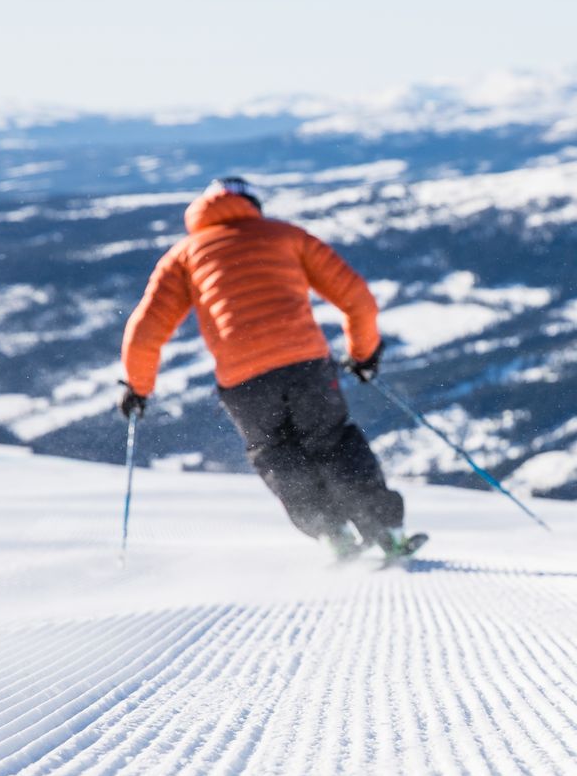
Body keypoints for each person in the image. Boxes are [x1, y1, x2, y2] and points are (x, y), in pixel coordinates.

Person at [118, 176, 423, 562]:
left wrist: (138, 387)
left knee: (277, 455)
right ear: (253, 205)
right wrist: (364, 354)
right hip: (305, 365)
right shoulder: (285, 236)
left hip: (243, 382)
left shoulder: (183, 256)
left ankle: (332, 536)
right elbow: (357, 297)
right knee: (334, 442)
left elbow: (145, 332)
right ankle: (386, 532)